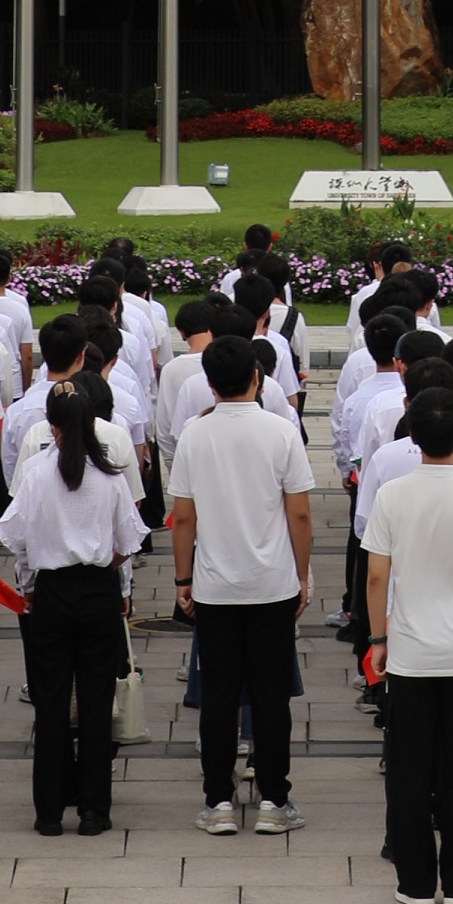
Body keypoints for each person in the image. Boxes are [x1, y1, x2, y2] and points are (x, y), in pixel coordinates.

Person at [364, 376, 453, 904]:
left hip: (409, 652)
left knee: (408, 769)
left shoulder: (390, 495)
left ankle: (416, 883)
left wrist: (378, 636)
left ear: (414, 435)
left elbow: (376, 577)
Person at [170, 333, 315, 835]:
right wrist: (303, 574)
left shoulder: (195, 435)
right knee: (272, 695)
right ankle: (274, 800)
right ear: (256, 377)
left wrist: (182, 579)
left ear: (210, 384)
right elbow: (298, 512)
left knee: (220, 695)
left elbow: (182, 519)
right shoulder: (281, 431)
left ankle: (218, 802)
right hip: (272, 583)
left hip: (215, 586)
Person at [0, 382, 145, 838]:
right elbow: (128, 544)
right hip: (97, 591)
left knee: (51, 703)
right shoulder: (111, 474)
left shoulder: (37, 474)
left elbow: (17, 541)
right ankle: (95, 810)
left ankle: (48, 811)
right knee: (98, 704)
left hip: (52, 592)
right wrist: (118, 586)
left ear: (53, 426)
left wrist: (29, 588)